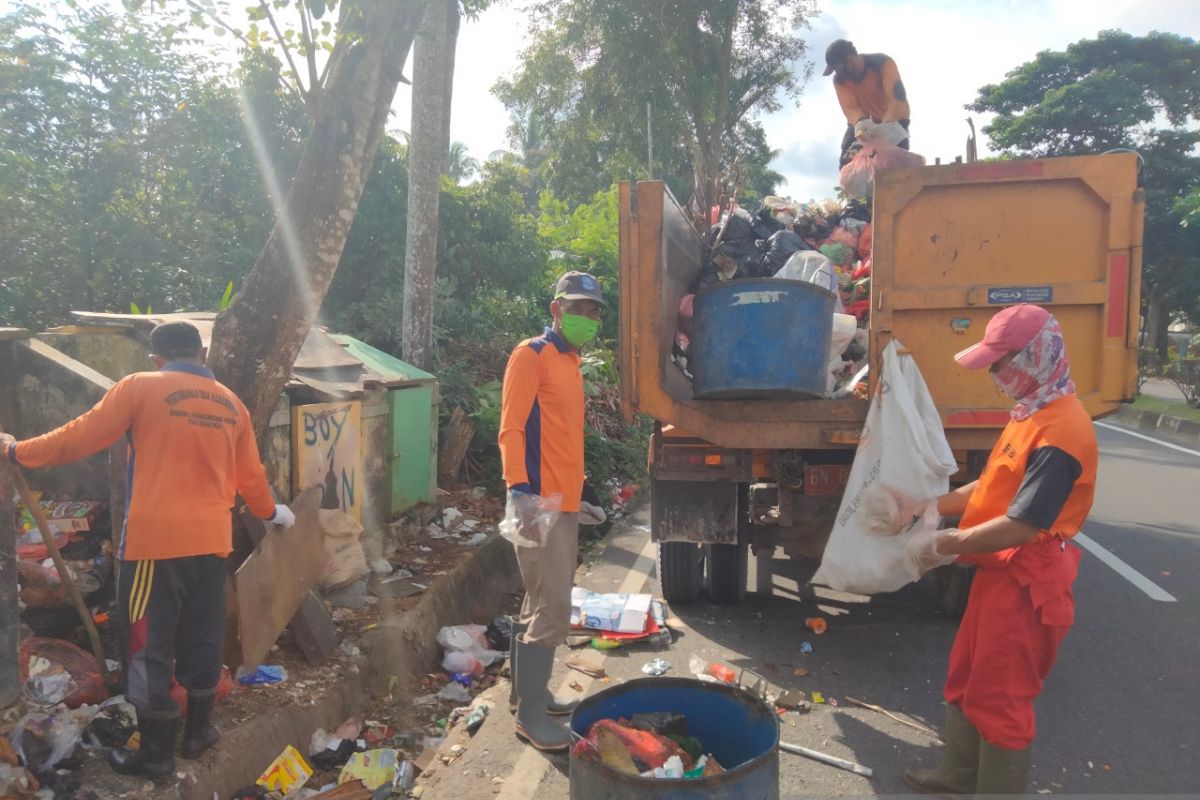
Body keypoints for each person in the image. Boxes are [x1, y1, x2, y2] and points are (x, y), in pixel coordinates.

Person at [1, 321, 294, 779]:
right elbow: (250, 476)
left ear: (156, 358)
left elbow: (82, 435)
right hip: (214, 545)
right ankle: (199, 734)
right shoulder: (231, 404)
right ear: (201, 354)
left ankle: (155, 754)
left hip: (155, 546)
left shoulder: (140, 387)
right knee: (201, 636)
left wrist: (19, 452)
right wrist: (273, 511)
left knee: (146, 644)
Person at [879, 304, 1096, 795]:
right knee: (966, 675)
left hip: (1027, 582)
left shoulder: (1062, 431)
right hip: (997, 574)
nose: (996, 374)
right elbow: (992, 485)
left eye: (1002, 362)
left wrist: (944, 543)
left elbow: (1023, 523)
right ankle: (959, 773)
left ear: (1036, 355)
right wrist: (927, 504)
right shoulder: (1032, 413)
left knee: (1002, 698)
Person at [498, 271, 604, 752]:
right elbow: (512, 427)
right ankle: (532, 719)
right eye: (577, 307)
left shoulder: (571, 361)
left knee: (537, 597)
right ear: (555, 307)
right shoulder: (532, 354)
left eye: (593, 310)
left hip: (561, 498)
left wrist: (584, 490)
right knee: (553, 606)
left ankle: (529, 695)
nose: (586, 316)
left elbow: (563, 434)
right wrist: (519, 489)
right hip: (536, 499)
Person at [824, 39, 912, 167]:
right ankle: (852, 183)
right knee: (847, 159)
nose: (838, 73)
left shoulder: (882, 63)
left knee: (896, 162)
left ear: (849, 60)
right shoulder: (840, 80)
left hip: (895, 119)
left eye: (839, 69)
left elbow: (897, 99)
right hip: (866, 123)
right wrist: (861, 124)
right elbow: (851, 109)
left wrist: (884, 131)